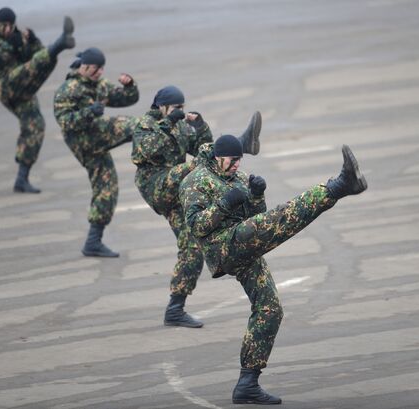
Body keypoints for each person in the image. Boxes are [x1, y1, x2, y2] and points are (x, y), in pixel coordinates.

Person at [179, 135, 367, 404]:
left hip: (242, 241)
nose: (236, 165)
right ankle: (337, 186)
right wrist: (223, 204)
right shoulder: (195, 181)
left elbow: (256, 217)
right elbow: (197, 226)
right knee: (282, 217)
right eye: (232, 161)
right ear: (218, 157)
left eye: (239, 160)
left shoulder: (237, 177)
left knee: (271, 309)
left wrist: (256, 195)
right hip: (222, 247)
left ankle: (247, 383)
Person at [132, 85, 262, 328]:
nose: (180, 111)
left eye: (182, 107)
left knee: (193, 247)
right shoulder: (145, 125)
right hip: (156, 184)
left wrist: (201, 127)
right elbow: (145, 151)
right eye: (175, 107)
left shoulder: (179, 124)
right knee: (197, 166)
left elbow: (204, 149)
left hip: (176, 191)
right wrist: (168, 123)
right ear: (162, 106)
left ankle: (175, 309)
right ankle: (242, 144)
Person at [0, 7, 75, 193]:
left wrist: (32, 41)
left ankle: (22, 179)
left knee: (35, 126)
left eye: (10, 25)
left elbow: (35, 55)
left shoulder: (17, 35)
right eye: (3, 25)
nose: (7, 29)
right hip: (5, 85)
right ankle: (60, 43)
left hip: (22, 88)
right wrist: (11, 47)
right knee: (35, 65)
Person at [53, 47, 140, 258]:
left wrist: (130, 86)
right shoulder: (68, 89)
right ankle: (150, 156)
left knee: (107, 188)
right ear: (84, 67)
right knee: (134, 125)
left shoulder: (99, 84)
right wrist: (88, 113)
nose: (100, 73)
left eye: (102, 69)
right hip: (83, 140)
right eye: (96, 69)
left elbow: (124, 99)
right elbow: (64, 122)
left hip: (95, 138)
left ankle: (93, 242)